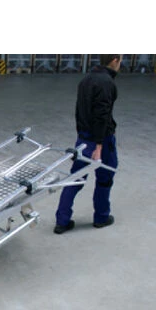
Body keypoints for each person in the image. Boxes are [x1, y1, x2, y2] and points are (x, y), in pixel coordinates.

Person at [54, 54, 121, 234]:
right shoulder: (107, 83)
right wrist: (99, 146)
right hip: (101, 141)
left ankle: (62, 221)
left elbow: (80, 110)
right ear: (114, 60)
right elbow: (101, 116)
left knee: (75, 178)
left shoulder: (87, 79)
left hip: (83, 138)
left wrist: (81, 135)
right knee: (105, 178)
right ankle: (101, 217)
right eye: (120, 59)